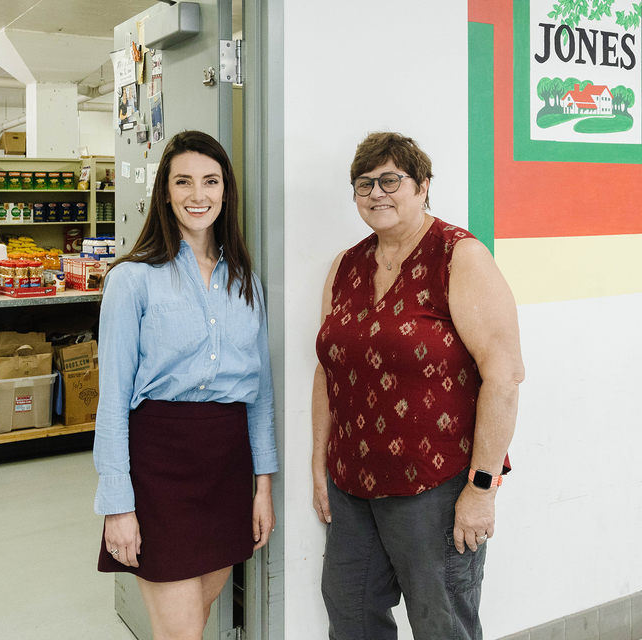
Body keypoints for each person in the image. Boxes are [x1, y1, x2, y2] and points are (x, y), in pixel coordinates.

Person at [312, 132, 524, 639]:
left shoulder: (459, 255)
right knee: (351, 614)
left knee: (442, 623)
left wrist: (481, 489)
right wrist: (319, 463)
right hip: (351, 482)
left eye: (391, 180)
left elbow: (505, 374)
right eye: (364, 184)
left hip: (437, 486)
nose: (376, 193)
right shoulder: (345, 265)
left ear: (423, 186)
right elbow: (328, 369)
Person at [93, 130, 278, 640]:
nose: (198, 195)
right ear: (166, 192)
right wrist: (117, 504)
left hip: (227, 462)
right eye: (184, 182)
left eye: (211, 181)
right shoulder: (132, 280)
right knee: (181, 633)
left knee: (193, 619)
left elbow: (259, 395)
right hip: (160, 464)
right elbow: (111, 401)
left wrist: (263, 487)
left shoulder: (246, 282)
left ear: (226, 191)